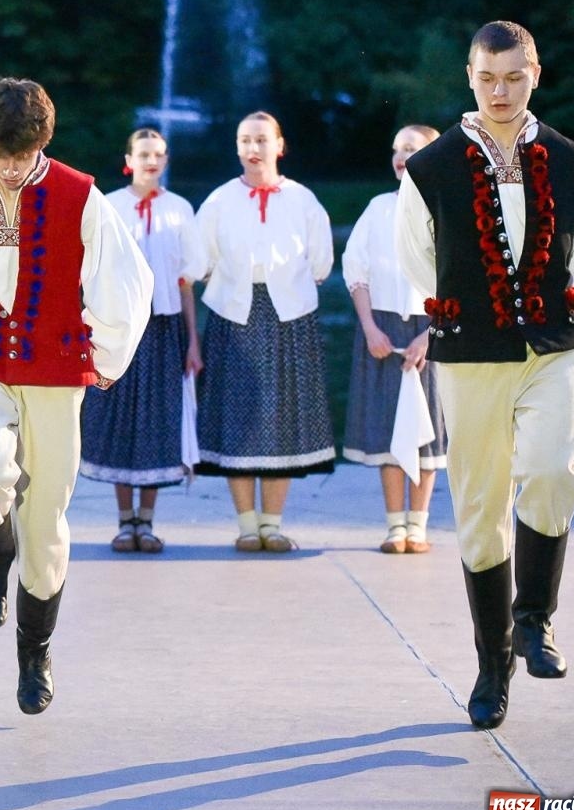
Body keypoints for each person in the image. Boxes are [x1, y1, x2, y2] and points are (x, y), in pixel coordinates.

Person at [396, 21, 574, 730]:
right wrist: (466, 310)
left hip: (554, 342)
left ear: (535, 74)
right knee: (480, 510)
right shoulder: (431, 167)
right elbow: (417, 256)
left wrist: (552, 299)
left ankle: (534, 620)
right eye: (488, 77)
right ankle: (493, 666)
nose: (500, 91)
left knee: (551, 471)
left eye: (513, 76)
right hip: (470, 350)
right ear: (469, 76)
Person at [0, 77, 152, 714]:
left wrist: (105, 356)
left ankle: (34, 654)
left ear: (41, 144)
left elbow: (126, 281)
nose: (11, 169)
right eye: (1, 157)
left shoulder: (80, 195)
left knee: (46, 516)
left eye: (22, 159)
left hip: (55, 366)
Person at [194, 111, 335, 552]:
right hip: (234, 315)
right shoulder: (218, 201)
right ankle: (246, 525)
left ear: (279, 145)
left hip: (287, 317)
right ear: (237, 148)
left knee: (280, 419)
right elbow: (201, 264)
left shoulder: (304, 201)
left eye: (261, 140)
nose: (253, 149)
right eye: (244, 141)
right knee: (238, 420)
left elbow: (321, 265)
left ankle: (273, 524)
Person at [79, 129, 207, 552]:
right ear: (128, 159)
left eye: (158, 155)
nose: (151, 161)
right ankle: (123, 521)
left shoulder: (180, 210)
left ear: (166, 160)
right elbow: (91, 271)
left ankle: (147, 522)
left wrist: (192, 341)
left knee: (157, 420)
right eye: (143, 154)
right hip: (118, 325)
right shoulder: (109, 206)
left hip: (163, 327)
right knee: (119, 418)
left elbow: (185, 281)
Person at [341, 124, 447, 554]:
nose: (401, 156)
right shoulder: (378, 208)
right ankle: (394, 526)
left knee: (427, 432)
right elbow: (357, 269)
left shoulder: (448, 210)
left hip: (432, 330)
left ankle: (418, 525)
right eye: (396, 148)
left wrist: (430, 336)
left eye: (412, 148)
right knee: (387, 429)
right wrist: (369, 328)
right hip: (383, 330)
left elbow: (458, 282)